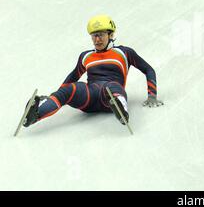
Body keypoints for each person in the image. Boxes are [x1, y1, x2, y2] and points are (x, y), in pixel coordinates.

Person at [22, 15, 163, 129]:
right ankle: (35, 115)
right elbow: (73, 76)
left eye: (101, 35)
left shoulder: (124, 52)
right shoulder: (86, 56)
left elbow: (148, 69)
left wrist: (152, 96)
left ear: (111, 35)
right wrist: (57, 95)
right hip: (89, 97)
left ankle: (121, 110)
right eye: (94, 36)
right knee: (73, 88)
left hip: (108, 95)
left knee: (110, 87)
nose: (97, 39)